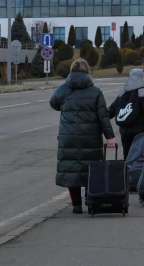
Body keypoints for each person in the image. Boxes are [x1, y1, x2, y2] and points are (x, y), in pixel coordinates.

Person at [50, 58, 116, 214]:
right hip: (90, 136)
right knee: (91, 169)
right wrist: (110, 137)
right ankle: (90, 200)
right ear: (87, 71)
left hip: (68, 136)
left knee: (70, 170)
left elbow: (53, 103)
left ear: (71, 71)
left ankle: (76, 205)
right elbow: (103, 117)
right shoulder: (95, 91)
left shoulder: (63, 89)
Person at [108, 68, 144, 159]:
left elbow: (110, 111)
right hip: (140, 133)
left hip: (125, 132)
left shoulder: (122, 93)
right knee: (141, 160)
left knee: (128, 158)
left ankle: (127, 173)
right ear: (138, 78)